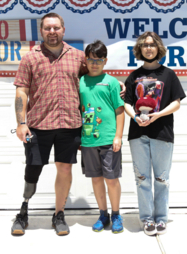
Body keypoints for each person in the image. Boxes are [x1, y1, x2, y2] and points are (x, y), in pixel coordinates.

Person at [11, 13, 124, 236]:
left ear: (63, 29)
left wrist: (116, 82)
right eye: (47, 28)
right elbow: (21, 91)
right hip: (38, 125)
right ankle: (23, 211)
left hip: (69, 125)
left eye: (56, 28)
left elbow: (95, 73)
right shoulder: (30, 58)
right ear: (41, 31)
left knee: (64, 169)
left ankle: (59, 214)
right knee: (33, 169)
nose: (52, 32)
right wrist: (21, 123)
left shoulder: (78, 56)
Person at [123, 31, 186, 236]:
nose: (148, 48)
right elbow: (127, 103)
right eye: (144, 45)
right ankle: (147, 219)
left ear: (158, 48)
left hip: (162, 132)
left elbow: (176, 102)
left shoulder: (168, 74)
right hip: (137, 134)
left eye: (152, 45)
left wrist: (158, 115)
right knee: (142, 179)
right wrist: (135, 117)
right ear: (139, 49)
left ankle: (161, 218)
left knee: (161, 178)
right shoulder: (134, 75)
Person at [79, 40, 125, 233]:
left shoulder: (112, 82)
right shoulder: (79, 81)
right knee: (96, 179)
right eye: (90, 59)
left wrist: (118, 136)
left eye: (98, 60)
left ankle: (116, 214)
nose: (94, 63)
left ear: (105, 61)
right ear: (85, 60)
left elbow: (120, 110)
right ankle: (103, 214)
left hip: (108, 140)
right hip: (88, 139)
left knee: (111, 179)